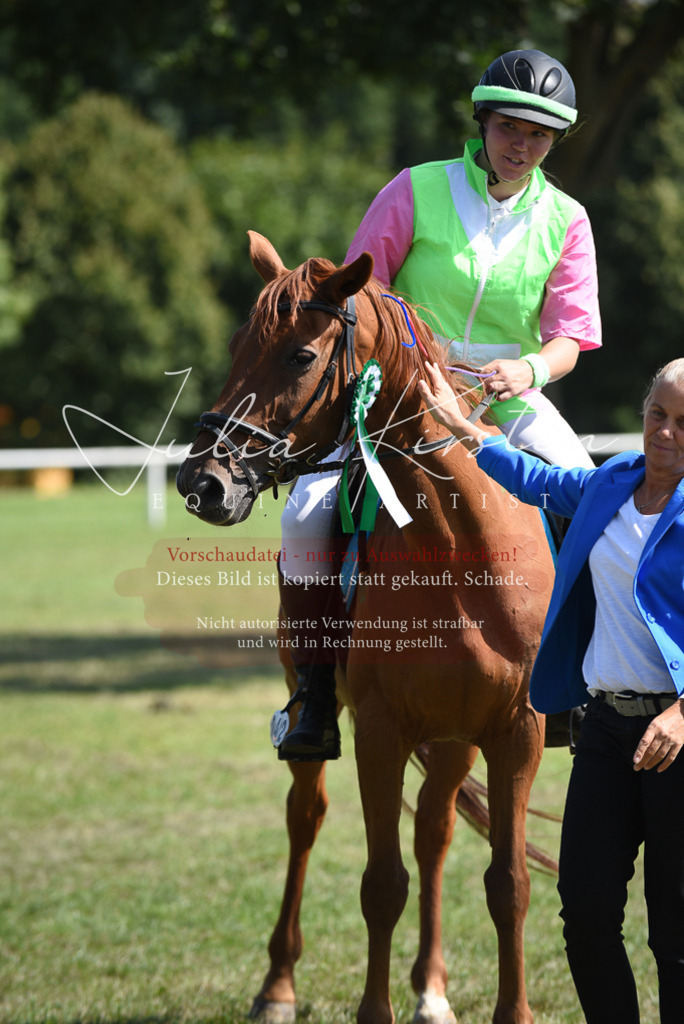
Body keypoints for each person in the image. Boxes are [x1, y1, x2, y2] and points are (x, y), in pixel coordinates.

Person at [278, 48, 601, 762]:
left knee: (589, 495)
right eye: (510, 128)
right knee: (305, 510)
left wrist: (529, 366)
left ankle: (581, 685)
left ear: (554, 143)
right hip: (400, 389)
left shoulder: (567, 219)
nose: (522, 145)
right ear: (482, 123)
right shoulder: (415, 189)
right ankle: (317, 692)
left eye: (539, 136)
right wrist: (403, 364)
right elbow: (359, 295)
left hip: (506, 396)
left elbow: (572, 336)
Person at [417, 356, 684, 1024]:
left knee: (675, 936)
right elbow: (536, 479)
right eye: (658, 414)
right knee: (586, 914)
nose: (667, 433)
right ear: (643, 411)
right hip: (603, 734)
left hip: (677, 743)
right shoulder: (612, 482)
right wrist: (464, 430)